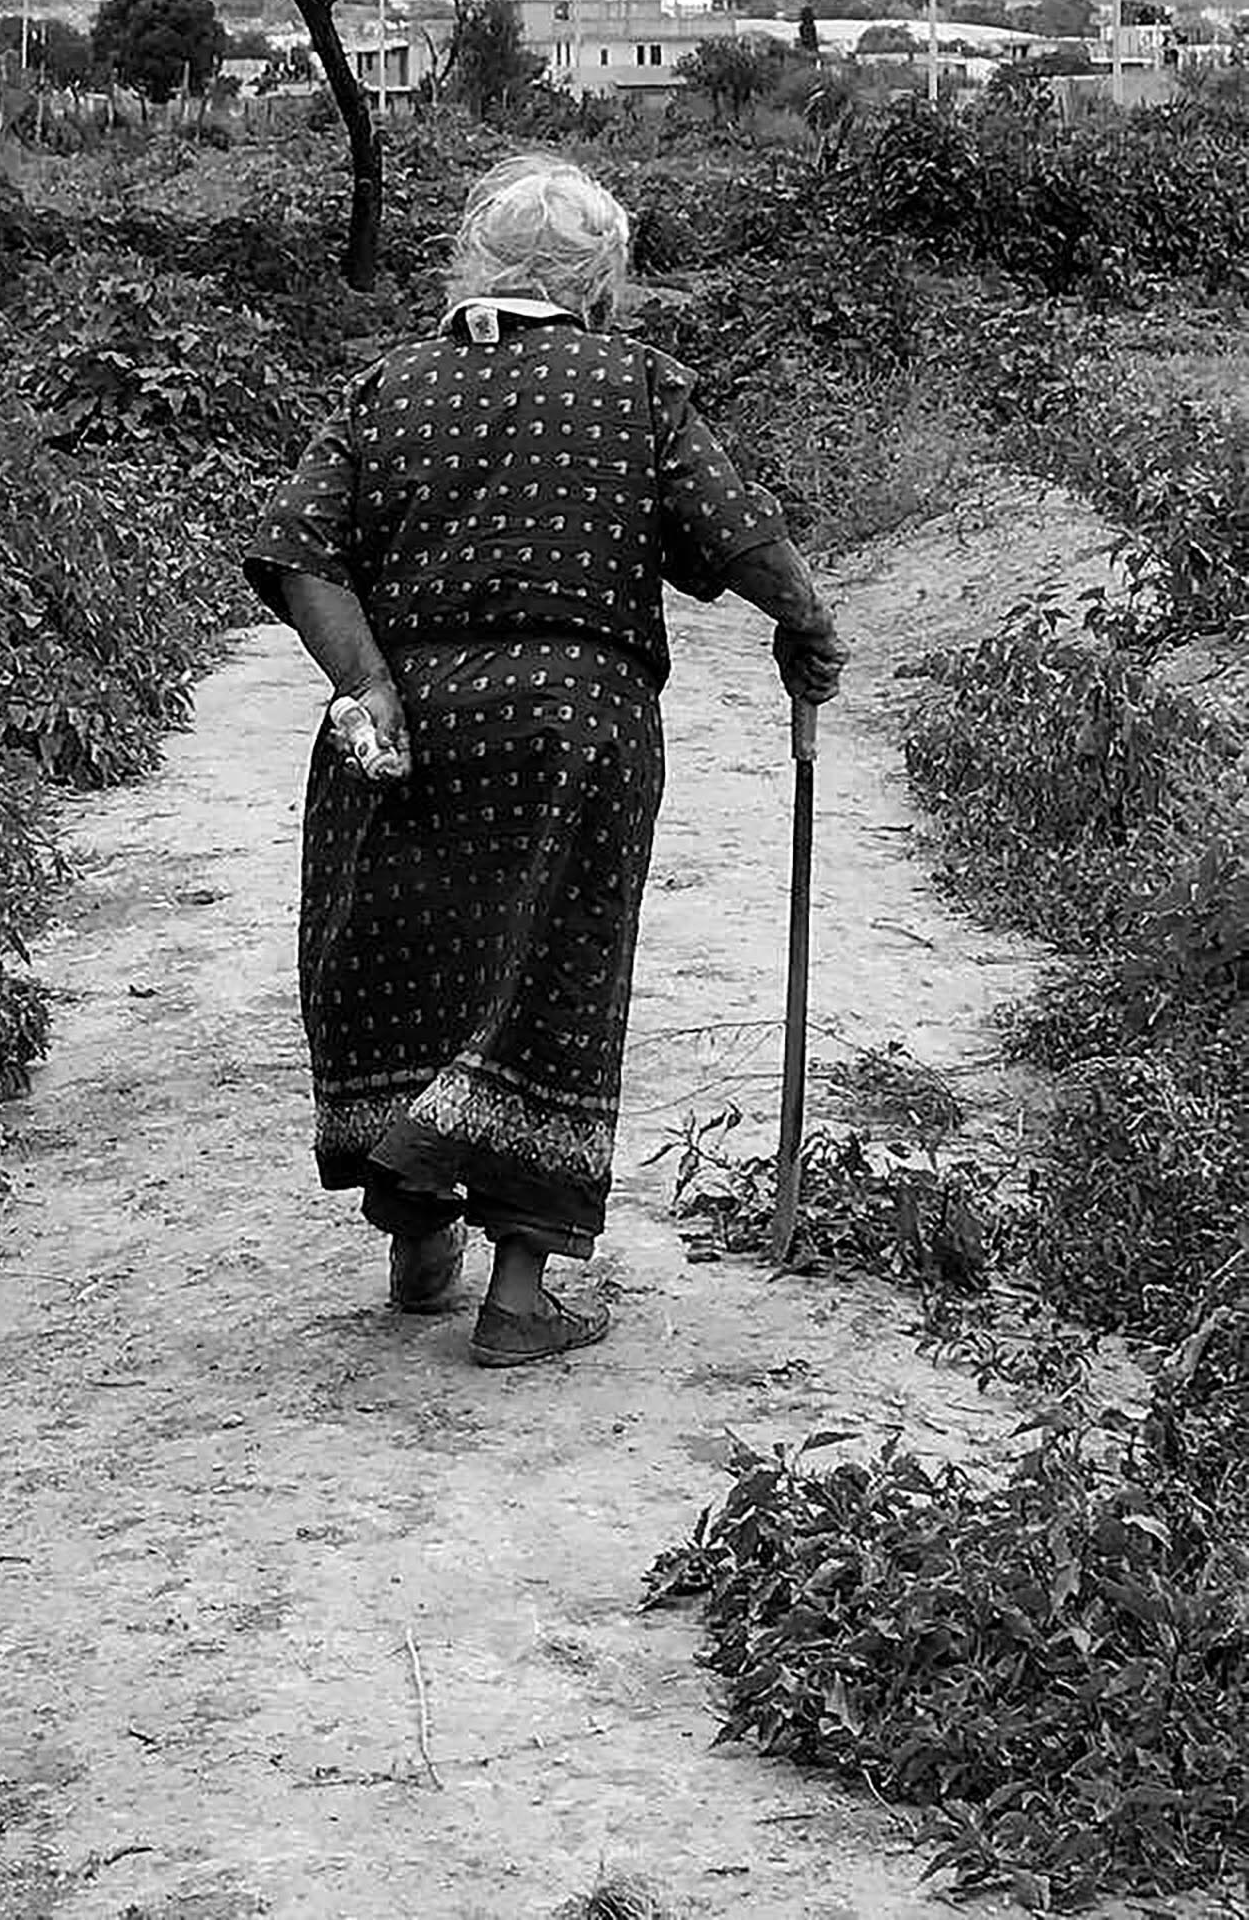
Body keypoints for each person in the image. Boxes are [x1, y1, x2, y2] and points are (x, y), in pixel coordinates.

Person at [244, 155, 846, 1368]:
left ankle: (416, 1240)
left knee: (410, 961)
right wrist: (811, 624)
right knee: (552, 983)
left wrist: (367, 686)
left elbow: (299, 549)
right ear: (601, 287)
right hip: (574, 731)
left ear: (472, 268)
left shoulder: (382, 388)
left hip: (404, 728)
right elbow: (737, 534)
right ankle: (516, 1298)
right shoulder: (635, 385)